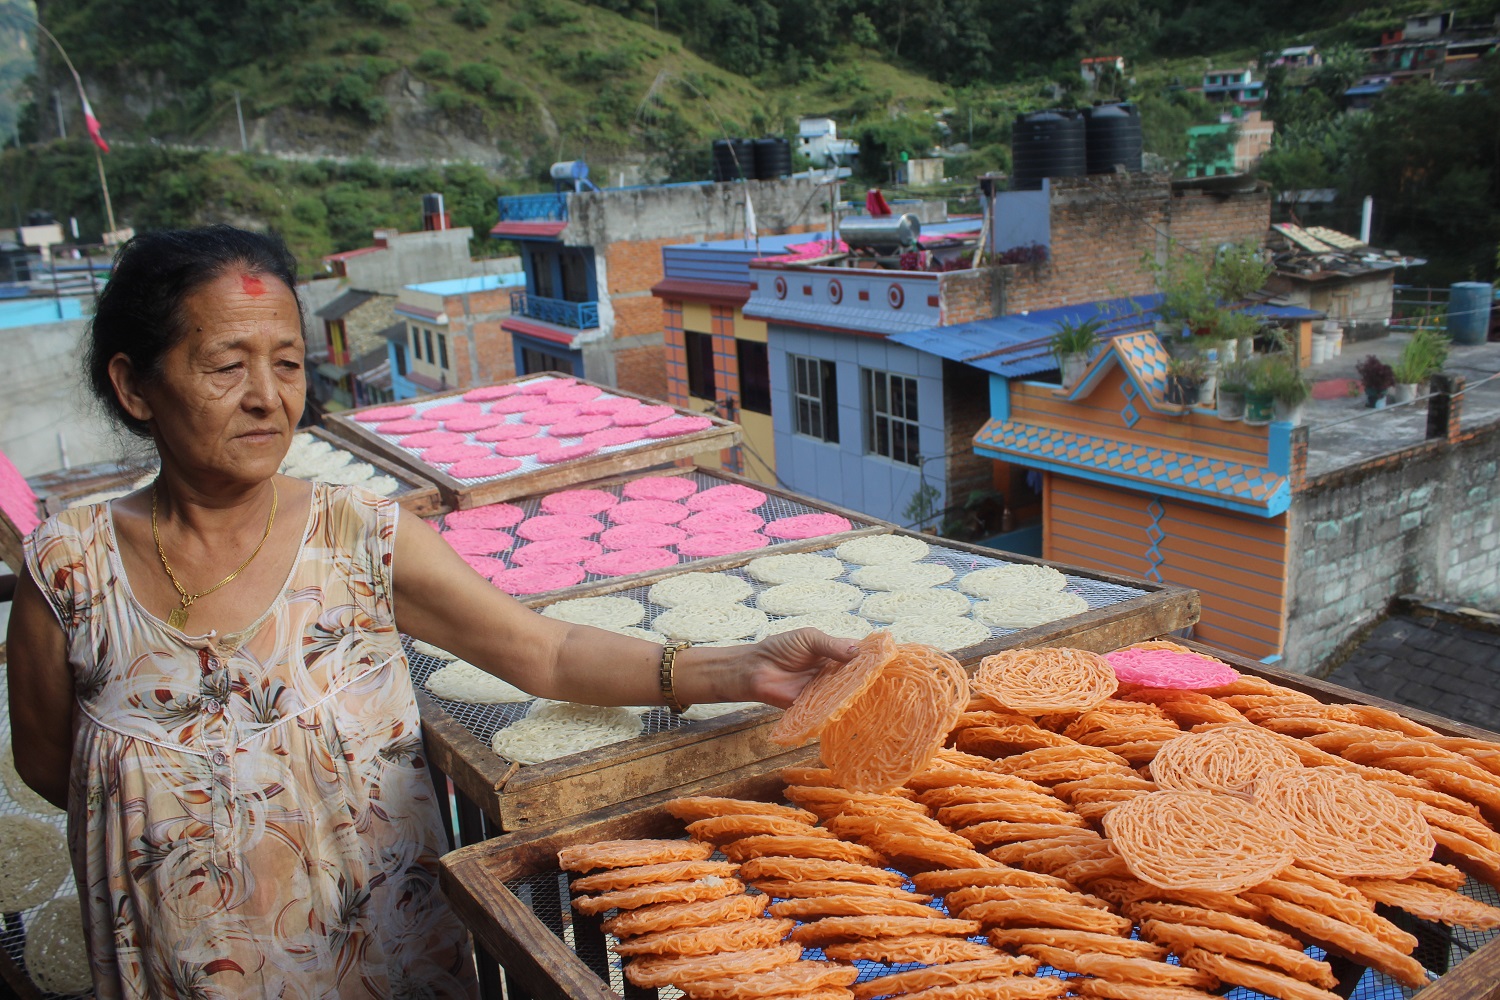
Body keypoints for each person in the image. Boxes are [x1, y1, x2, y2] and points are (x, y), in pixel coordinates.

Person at [5, 225, 856, 999]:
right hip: (181, 971)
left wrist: (739, 668)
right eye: (227, 366)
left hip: (381, 964)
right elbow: (56, 767)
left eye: (289, 362)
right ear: (135, 385)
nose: (267, 395)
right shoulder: (69, 569)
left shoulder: (357, 535)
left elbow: (544, 653)